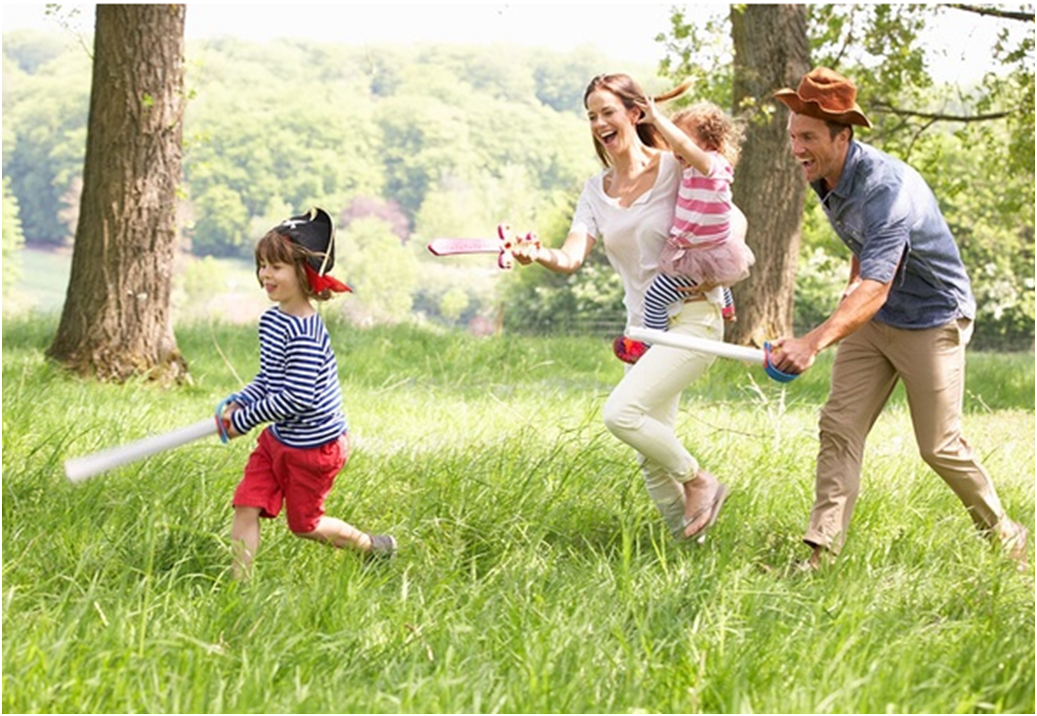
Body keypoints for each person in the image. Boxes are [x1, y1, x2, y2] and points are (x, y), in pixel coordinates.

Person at [770, 67, 1028, 569]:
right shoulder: (825, 174)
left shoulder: (887, 189)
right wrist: (850, 290)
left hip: (932, 319)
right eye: (793, 136)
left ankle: (1004, 531)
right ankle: (818, 554)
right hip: (874, 318)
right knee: (839, 426)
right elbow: (862, 252)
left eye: (808, 137)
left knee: (938, 446)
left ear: (842, 137)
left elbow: (877, 284)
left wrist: (812, 342)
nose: (797, 147)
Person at [512, 73, 740, 542]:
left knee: (622, 415)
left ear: (635, 114)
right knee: (650, 457)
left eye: (607, 112)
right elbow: (571, 256)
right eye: (592, 116)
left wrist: (714, 268)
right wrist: (538, 254)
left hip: (694, 317)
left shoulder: (675, 165)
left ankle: (700, 480)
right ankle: (689, 551)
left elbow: (728, 213)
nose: (598, 123)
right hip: (644, 327)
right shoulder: (596, 191)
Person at [221, 207, 396, 580]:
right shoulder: (273, 319)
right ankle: (238, 588)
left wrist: (245, 421)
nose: (265, 274)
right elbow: (270, 379)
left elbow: (296, 397)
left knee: (304, 525)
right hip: (278, 439)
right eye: (262, 265)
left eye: (276, 267)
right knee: (246, 505)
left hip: (314, 449)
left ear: (304, 273)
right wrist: (241, 400)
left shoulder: (304, 332)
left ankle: (372, 547)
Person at [618, 95, 754, 362]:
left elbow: (680, 143)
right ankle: (726, 305)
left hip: (699, 253)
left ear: (710, 145)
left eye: (683, 140)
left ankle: (650, 344)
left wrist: (657, 117)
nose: (675, 146)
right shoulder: (694, 168)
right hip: (708, 249)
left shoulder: (710, 165)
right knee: (710, 269)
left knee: (656, 297)